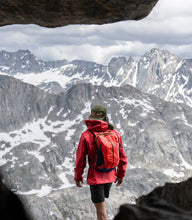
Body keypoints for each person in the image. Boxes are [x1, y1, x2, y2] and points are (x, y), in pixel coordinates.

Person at [74, 104, 127, 220]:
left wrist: (78, 177)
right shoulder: (115, 133)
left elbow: (80, 160)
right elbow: (122, 157)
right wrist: (121, 175)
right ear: (105, 117)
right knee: (101, 210)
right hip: (110, 176)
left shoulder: (86, 135)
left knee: (101, 213)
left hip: (96, 178)